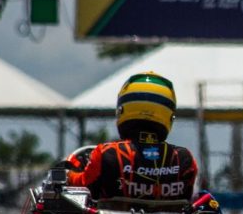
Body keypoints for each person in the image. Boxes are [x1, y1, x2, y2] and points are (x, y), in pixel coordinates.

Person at [66, 71, 198, 205]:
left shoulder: (107, 154)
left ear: (122, 110)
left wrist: (68, 174)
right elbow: (187, 199)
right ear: (169, 116)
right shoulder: (184, 159)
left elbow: (81, 185)